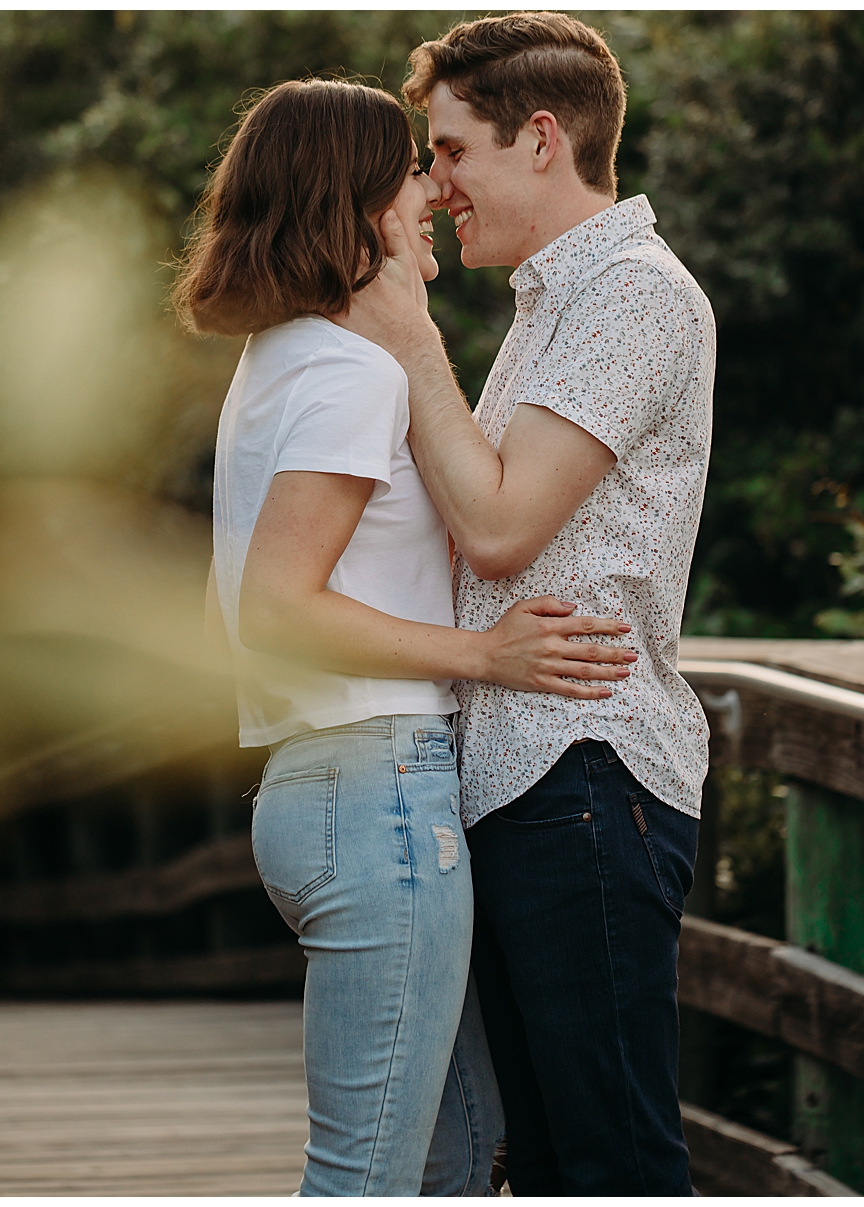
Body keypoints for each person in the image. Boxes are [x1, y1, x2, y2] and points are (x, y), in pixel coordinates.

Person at [177, 78, 642, 1197]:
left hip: (327, 789)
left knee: (458, 1152)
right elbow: (276, 609)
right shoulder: (346, 373)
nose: (432, 191)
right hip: (377, 794)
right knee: (369, 1180)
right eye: (410, 172)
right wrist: (486, 655)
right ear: (358, 205)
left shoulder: (278, 362)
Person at [336, 13, 717, 1196]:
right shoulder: (551, 307)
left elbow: (498, 529)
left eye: (451, 150)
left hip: (585, 772)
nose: (435, 185)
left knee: (615, 1162)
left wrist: (407, 339)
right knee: (549, 1165)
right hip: (525, 780)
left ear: (540, 138)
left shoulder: (633, 298)